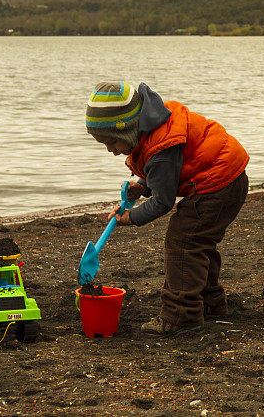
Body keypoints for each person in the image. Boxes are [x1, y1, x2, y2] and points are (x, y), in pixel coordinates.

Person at [85, 81, 249, 336]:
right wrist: (142, 186)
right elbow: (166, 172)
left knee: (183, 241)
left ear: (127, 129)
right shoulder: (154, 123)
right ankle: (211, 303)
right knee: (199, 241)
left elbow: (163, 201)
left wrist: (131, 217)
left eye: (112, 143)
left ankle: (181, 315)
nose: (110, 150)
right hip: (228, 176)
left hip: (219, 183)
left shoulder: (161, 148)